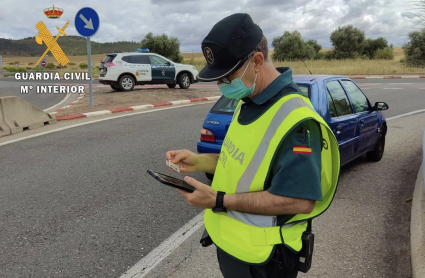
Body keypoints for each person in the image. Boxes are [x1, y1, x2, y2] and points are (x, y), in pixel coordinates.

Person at [165, 13, 340, 278]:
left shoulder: (296, 121)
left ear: (256, 61)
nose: (221, 85)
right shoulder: (247, 101)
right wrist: (199, 160)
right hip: (234, 248)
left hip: (266, 261)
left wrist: (218, 200)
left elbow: (300, 200)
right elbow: (242, 162)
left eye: (226, 76)